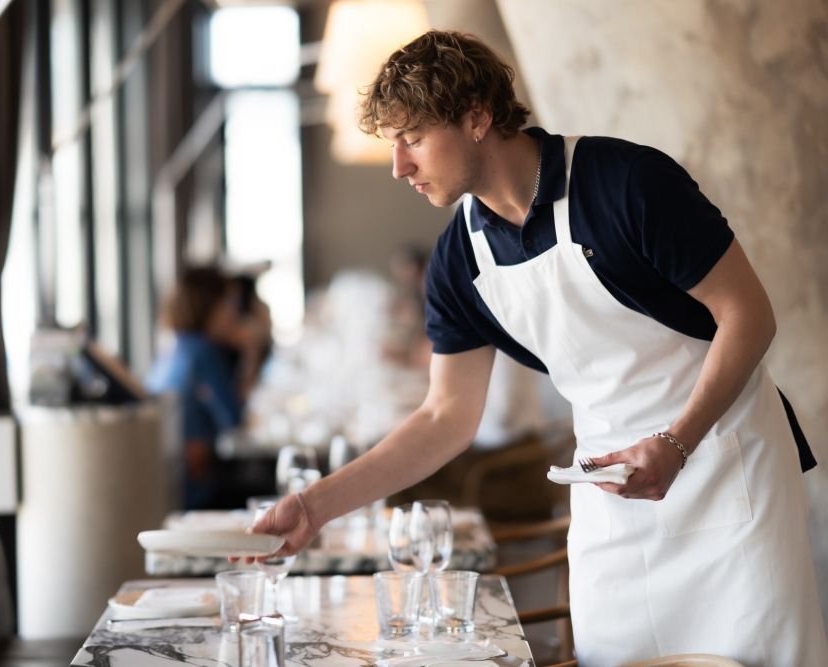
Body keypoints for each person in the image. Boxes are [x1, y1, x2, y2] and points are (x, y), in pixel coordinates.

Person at [247, 30, 827, 666]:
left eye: (412, 138)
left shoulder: (627, 183)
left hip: (726, 469)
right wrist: (315, 507)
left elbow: (750, 315)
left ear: (477, 118)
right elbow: (445, 418)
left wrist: (677, 442)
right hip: (611, 503)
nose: (399, 167)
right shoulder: (460, 258)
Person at [145, 266, 266, 510]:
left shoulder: (175, 348)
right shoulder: (204, 353)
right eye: (229, 303)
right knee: (274, 489)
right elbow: (234, 421)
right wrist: (251, 351)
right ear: (210, 306)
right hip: (198, 495)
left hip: (167, 489)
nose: (235, 313)